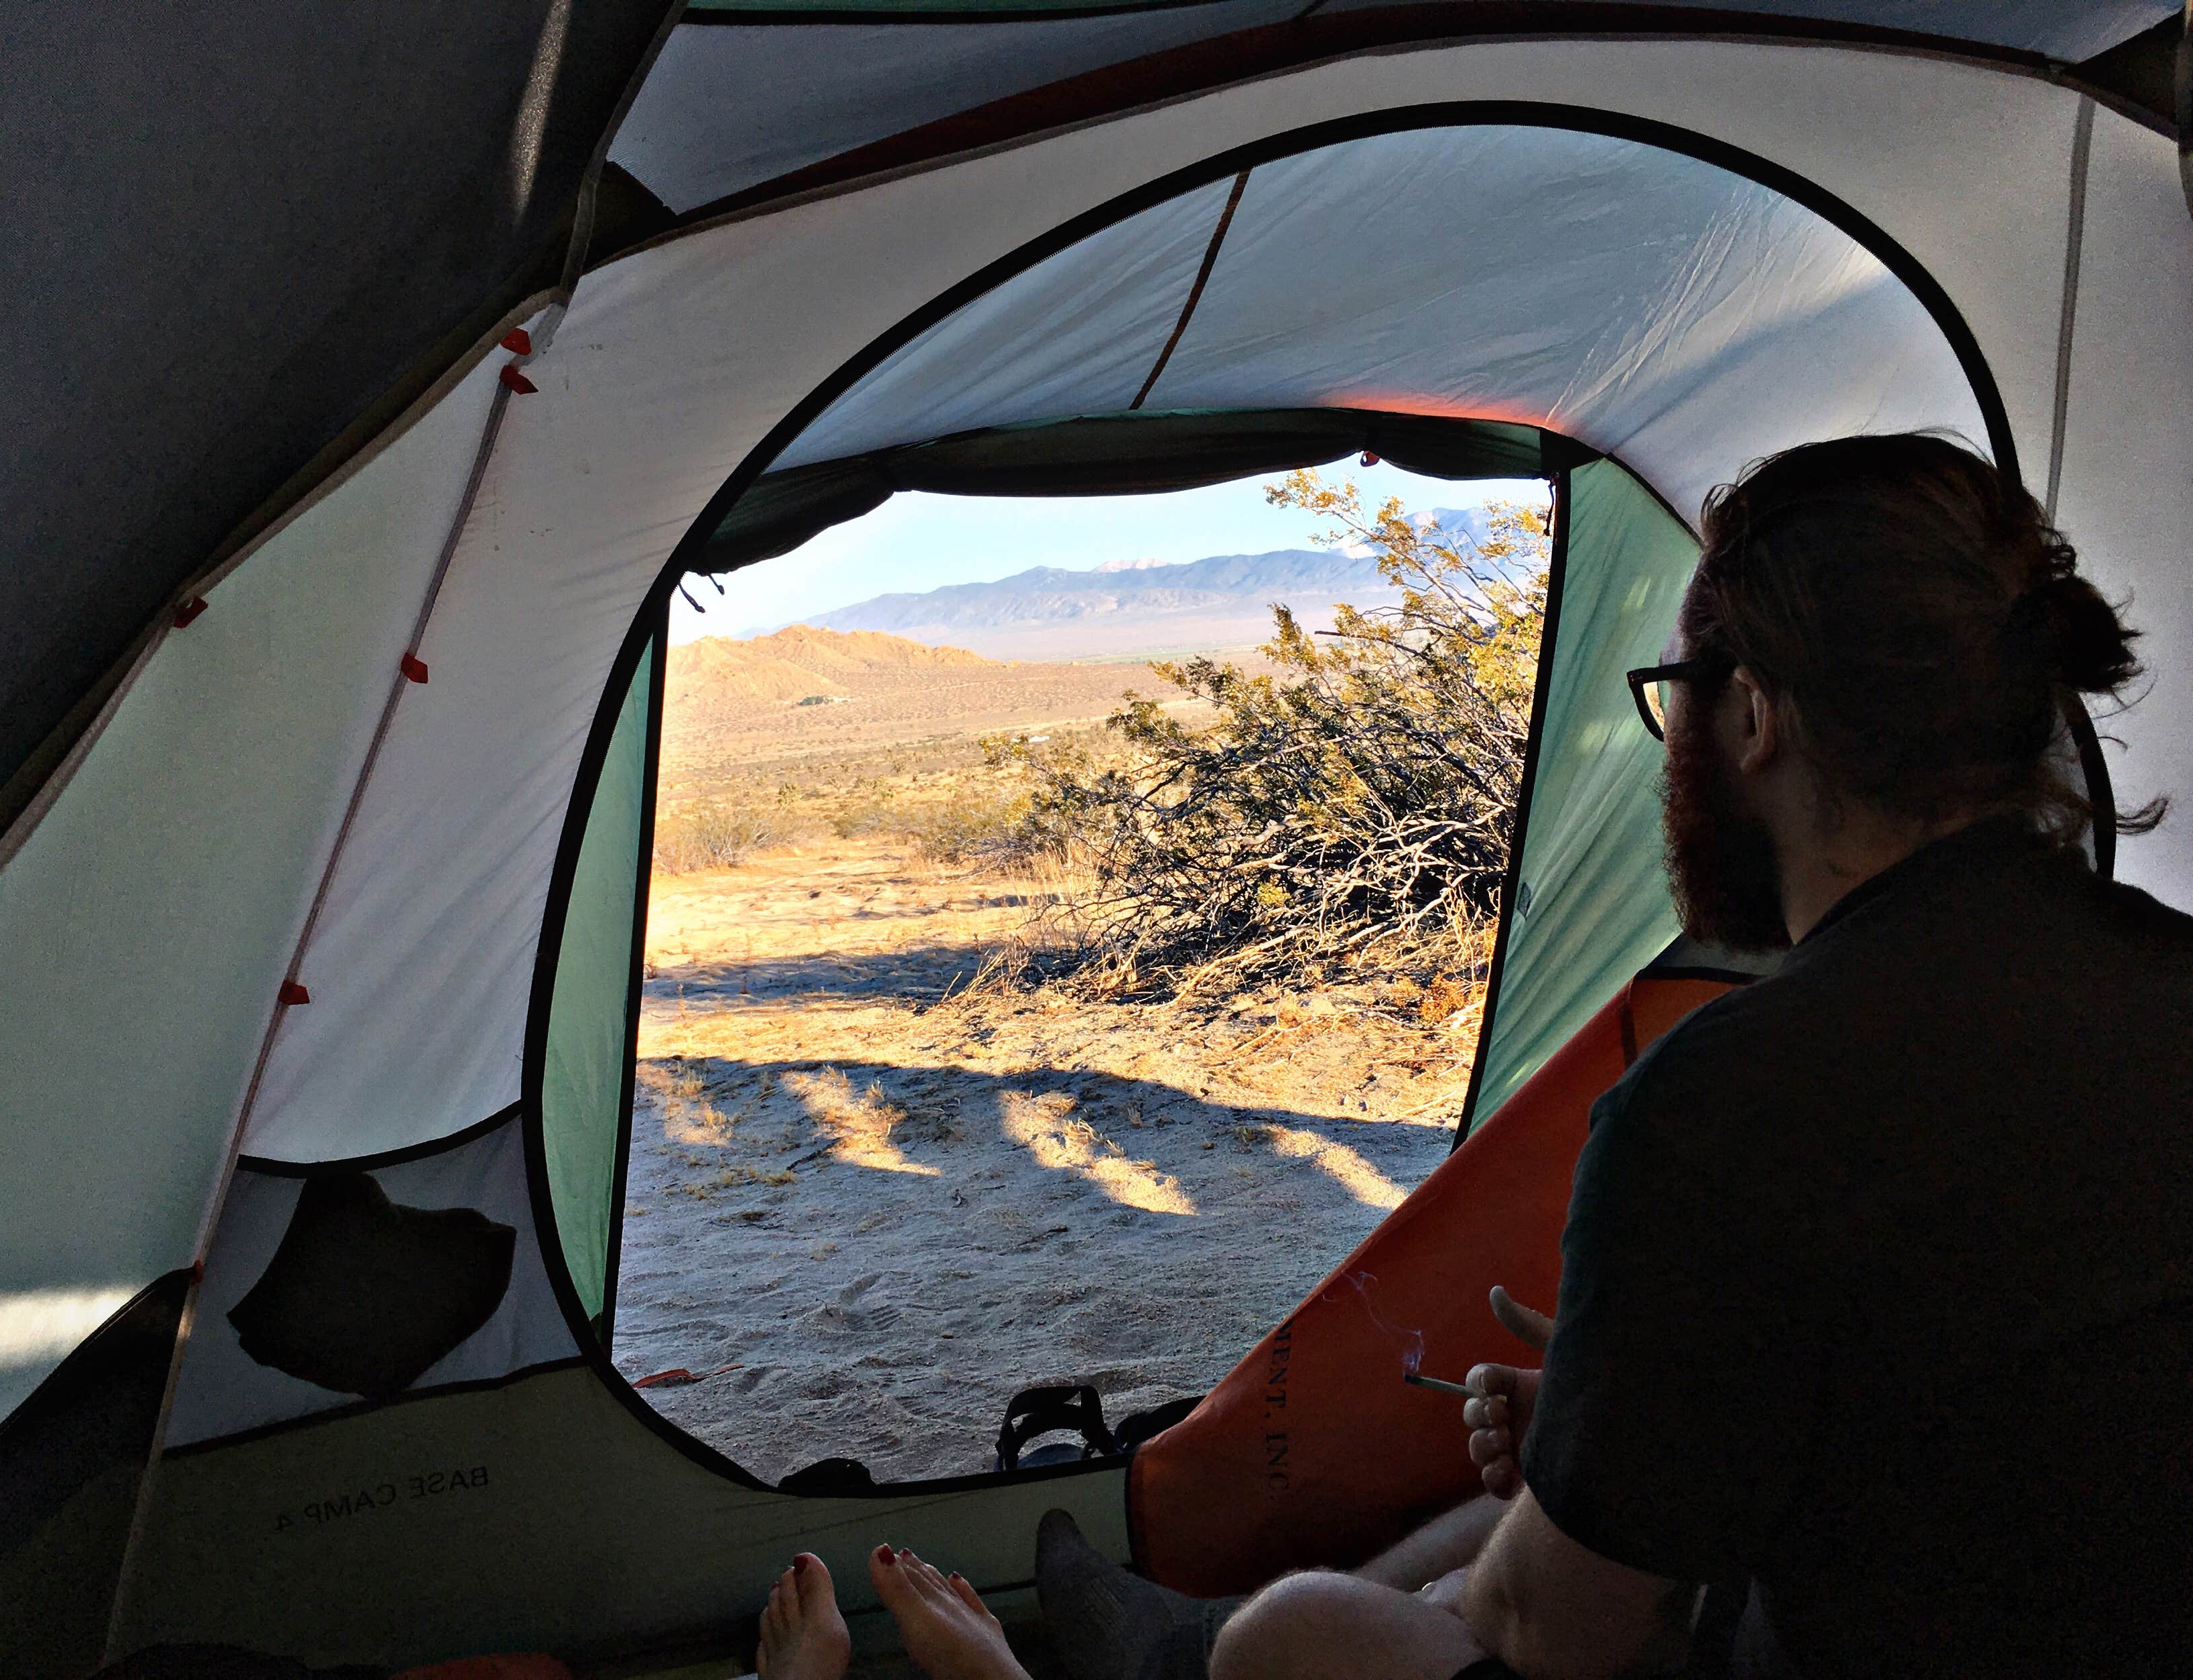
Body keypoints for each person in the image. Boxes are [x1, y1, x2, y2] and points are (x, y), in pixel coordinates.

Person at [752, 433, 2193, 1680]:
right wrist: (1620, 1418)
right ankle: (1164, 1643)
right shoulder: (2157, 976)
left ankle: (1187, 1655)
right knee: (1501, 1507)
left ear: (1753, 714)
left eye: (1677, 691)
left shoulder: (1735, 1099)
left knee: (1304, 1630)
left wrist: (1559, 1497)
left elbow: (1558, 1636)